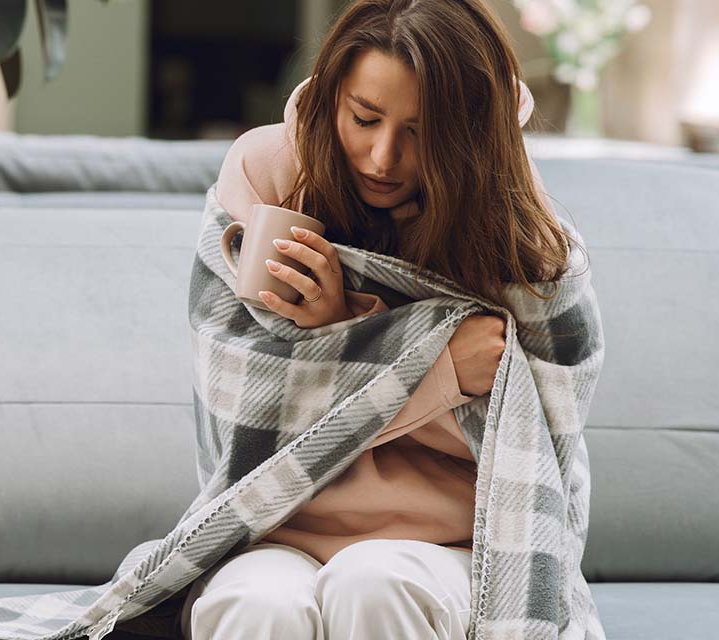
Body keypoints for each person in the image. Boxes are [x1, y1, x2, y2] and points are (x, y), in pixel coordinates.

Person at [180, 0, 574, 638]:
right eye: (364, 118)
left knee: (373, 580)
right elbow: (241, 403)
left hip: (446, 543)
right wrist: (429, 362)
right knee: (256, 605)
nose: (382, 158)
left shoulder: (515, 226)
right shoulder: (269, 174)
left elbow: (533, 435)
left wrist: (334, 350)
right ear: (331, 96)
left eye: (421, 132)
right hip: (276, 521)